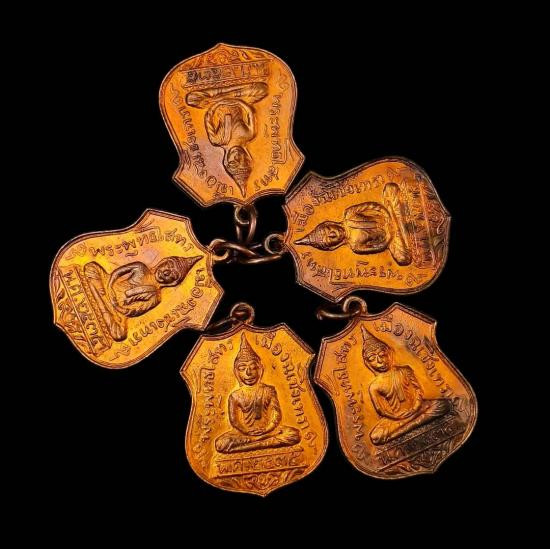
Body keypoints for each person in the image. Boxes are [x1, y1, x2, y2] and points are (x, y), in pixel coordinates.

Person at [361, 325, 450, 445]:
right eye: (372, 358)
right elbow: (380, 410)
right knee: (376, 436)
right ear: (368, 363)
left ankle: (402, 430)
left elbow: (418, 390)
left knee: (442, 404)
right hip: (395, 418)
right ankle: (412, 425)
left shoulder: (405, 370)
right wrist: (397, 417)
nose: (380, 361)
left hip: (418, 408)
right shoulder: (374, 386)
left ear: (389, 354)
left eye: (382, 355)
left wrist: (415, 407)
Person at [215, 333, 300, 454]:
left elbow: (276, 413)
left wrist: (268, 429)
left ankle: (251, 445)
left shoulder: (269, 390)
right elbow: (234, 420)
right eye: (242, 368)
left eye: (253, 367)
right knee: (221, 443)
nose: (248, 372)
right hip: (245, 434)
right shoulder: (235, 395)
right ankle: (260, 442)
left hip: (269, 431)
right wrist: (246, 431)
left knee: (293, 434)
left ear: (259, 369)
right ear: (237, 372)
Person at [83, 255, 201, 341]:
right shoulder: (140, 267)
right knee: (91, 267)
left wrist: (116, 306)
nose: (166, 272)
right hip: (108, 288)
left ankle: (97, 296)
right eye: (168, 266)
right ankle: (101, 299)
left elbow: (135, 311)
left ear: (173, 282)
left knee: (119, 335)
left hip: (117, 308)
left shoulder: (155, 297)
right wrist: (109, 287)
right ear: (163, 261)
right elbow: (115, 274)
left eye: (172, 275)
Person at [294, 183, 412, 265]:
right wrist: (390, 237)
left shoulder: (349, 214)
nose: (332, 234)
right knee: (403, 259)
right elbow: (378, 247)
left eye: (328, 230)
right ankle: (401, 223)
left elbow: (372, 206)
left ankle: (400, 222)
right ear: (332, 246)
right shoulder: (356, 247)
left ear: (330, 223)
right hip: (393, 238)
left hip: (388, 214)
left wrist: (387, 214)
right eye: (329, 239)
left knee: (391, 188)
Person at [186, 82, 268, 197]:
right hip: (238, 98)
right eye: (244, 160)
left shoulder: (217, 141)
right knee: (262, 90)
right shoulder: (249, 135)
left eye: (234, 162)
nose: (238, 157)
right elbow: (251, 112)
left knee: (192, 99)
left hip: (216, 101)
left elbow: (208, 118)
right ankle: (228, 92)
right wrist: (239, 102)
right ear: (248, 157)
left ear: (226, 161)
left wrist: (216, 104)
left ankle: (224, 93)